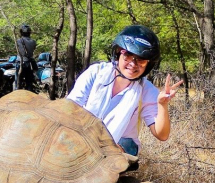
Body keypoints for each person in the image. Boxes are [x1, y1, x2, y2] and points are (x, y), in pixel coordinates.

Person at [67, 25, 183, 157]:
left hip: (121, 147)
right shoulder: (96, 73)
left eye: (141, 60)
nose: (133, 64)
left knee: (115, 150)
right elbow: (69, 109)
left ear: (148, 64)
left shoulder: (146, 90)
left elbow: (162, 135)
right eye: (128, 55)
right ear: (118, 53)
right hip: (83, 137)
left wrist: (162, 104)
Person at [16, 24, 37, 91]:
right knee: (29, 82)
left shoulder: (19, 41)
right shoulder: (33, 42)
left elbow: (21, 52)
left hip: (21, 62)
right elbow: (32, 50)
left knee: (17, 82)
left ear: (21, 32)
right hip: (29, 63)